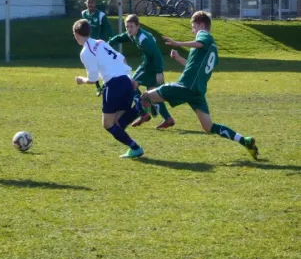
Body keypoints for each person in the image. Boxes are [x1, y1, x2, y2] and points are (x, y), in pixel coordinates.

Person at [140, 11, 259, 160]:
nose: (193, 30)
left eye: (193, 26)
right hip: (197, 92)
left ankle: (140, 118)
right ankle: (245, 141)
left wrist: (178, 43)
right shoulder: (213, 50)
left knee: (145, 96)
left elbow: (201, 41)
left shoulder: (205, 36)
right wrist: (178, 58)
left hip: (186, 86)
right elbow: (193, 67)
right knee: (209, 127)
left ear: (202, 25)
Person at [73, 18, 144, 159]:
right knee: (118, 124)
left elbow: (93, 80)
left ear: (76, 34)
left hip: (114, 85)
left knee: (107, 124)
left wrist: (81, 80)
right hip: (126, 82)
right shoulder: (100, 42)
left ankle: (139, 109)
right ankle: (135, 146)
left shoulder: (85, 52)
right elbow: (122, 58)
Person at [109, 14, 175, 129]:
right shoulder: (134, 34)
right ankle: (168, 119)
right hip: (151, 66)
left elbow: (156, 53)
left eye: (131, 27)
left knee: (131, 85)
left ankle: (144, 113)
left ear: (137, 26)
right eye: (127, 27)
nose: (129, 29)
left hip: (149, 67)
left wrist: (159, 71)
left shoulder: (143, 38)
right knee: (153, 93)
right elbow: (122, 37)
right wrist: (109, 43)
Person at [81, 0, 115, 96]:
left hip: (99, 46)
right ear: (86, 3)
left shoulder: (101, 15)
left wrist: (112, 40)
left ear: (95, 4)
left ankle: (106, 85)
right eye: (89, 2)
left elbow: (108, 29)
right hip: (88, 45)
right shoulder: (84, 14)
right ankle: (98, 87)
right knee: (91, 66)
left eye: (92, 2)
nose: (90, 4)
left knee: (102, 66)